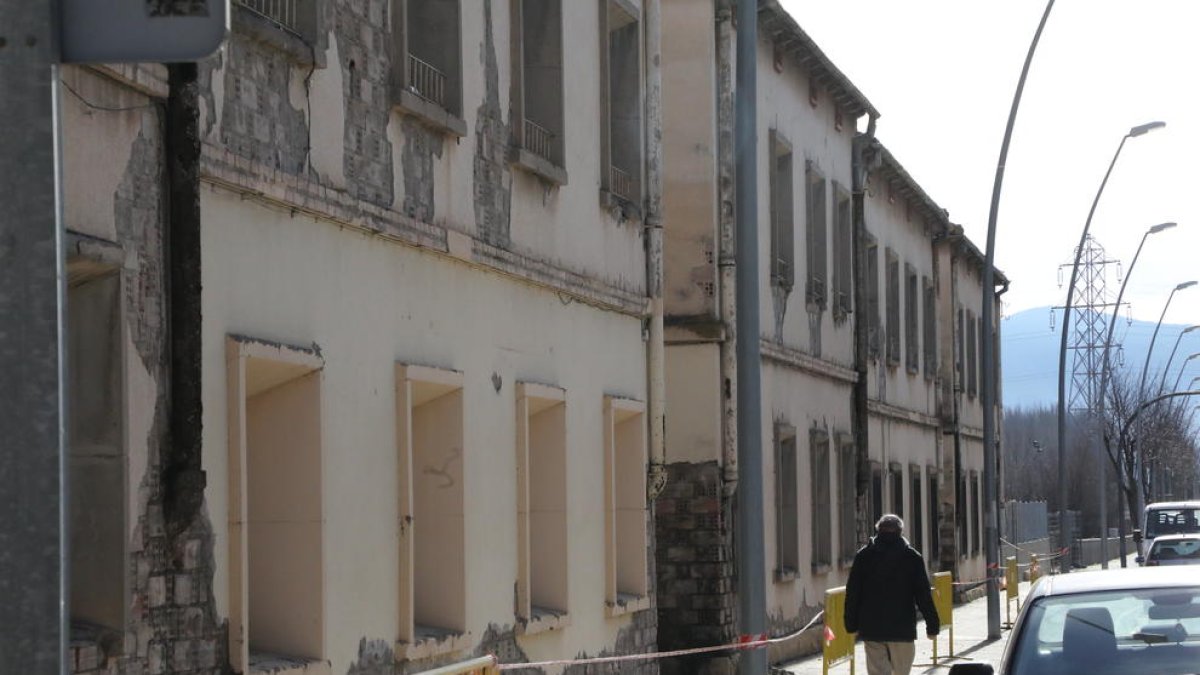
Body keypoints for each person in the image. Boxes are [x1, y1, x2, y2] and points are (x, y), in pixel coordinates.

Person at [843, 514, 939, 675]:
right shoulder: (912, 557)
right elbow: (923, 595)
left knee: (877, 672)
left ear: (878, 531)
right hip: (902, 629)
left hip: (872, 629)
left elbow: (853, 592)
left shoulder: (864, 556)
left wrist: (850, 623)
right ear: (901, 532)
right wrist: (933, 626)